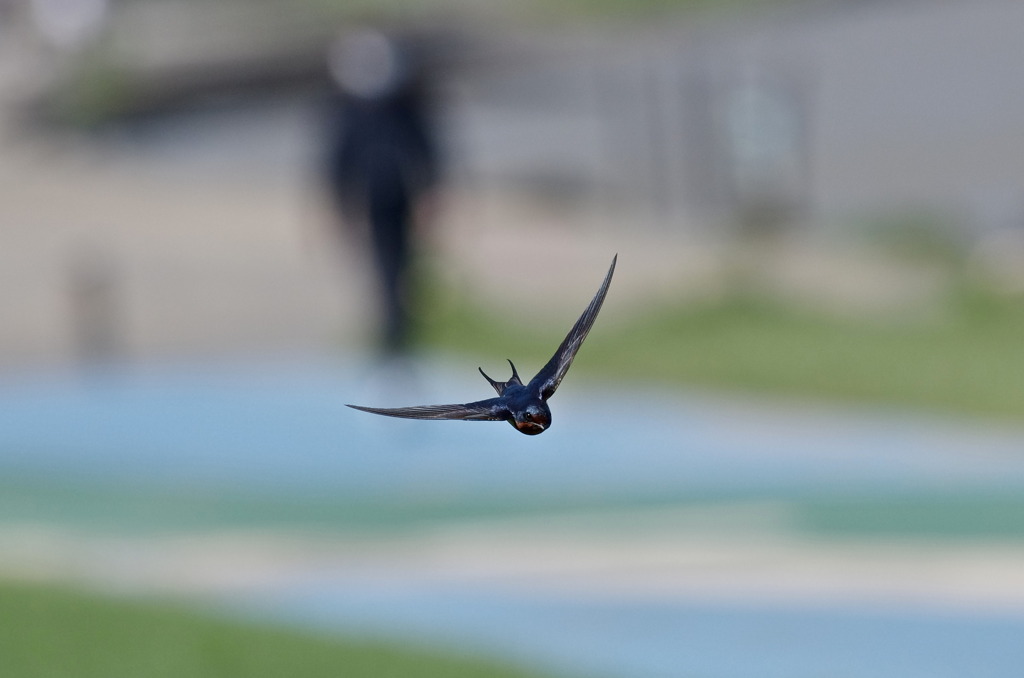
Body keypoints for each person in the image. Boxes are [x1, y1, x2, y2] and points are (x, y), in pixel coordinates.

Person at [324, 28, 441, 356]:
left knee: (405, 268)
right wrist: (342, 209)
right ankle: (388, 338)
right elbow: (338, 162)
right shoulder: (347, 108)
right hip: (368, 199)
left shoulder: (408, 104)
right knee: (379, 269)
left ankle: (401, 337)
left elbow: (426, 151)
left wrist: (430, 195)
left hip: (401, 196)